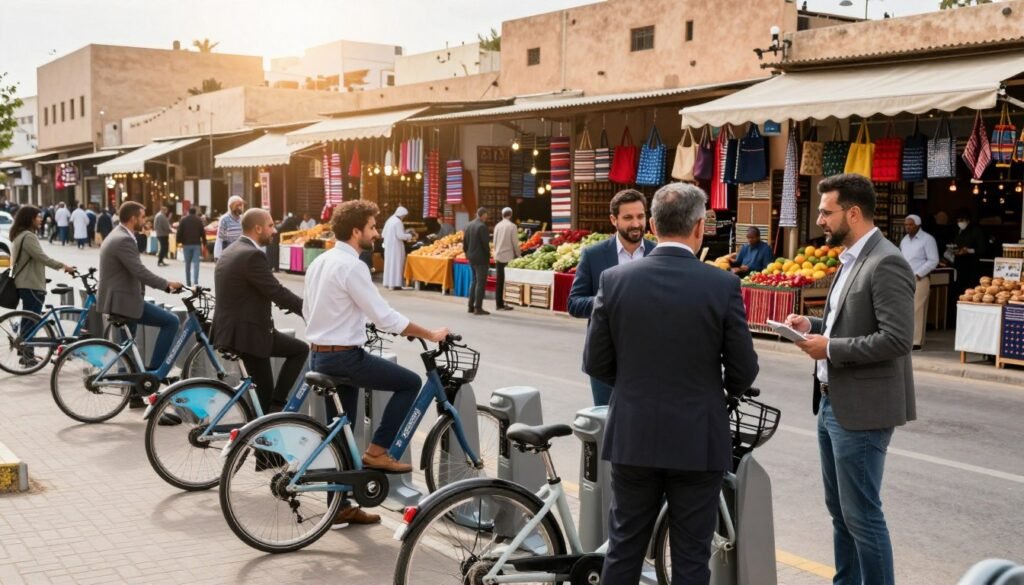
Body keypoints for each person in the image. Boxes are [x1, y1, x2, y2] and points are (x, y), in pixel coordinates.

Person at [584, 183, 758, 585]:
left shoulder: (613, 280)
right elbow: (743, 371)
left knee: (624, 546)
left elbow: (596, 362)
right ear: (699, 228)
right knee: (691, 557)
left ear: (653, 225)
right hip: (697, 437)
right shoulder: (722, 286)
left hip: (633, 433)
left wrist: (634, 387)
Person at [784, 174, 915, 585]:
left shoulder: (886, 261)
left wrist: (831, 349)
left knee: (863, 516)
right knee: (841, 513)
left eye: (826, 211)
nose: (820, 219)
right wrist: (814, 324)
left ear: (853, 213)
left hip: (861, 411)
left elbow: (896, 339)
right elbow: (849, 322)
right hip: (830, 402)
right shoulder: (849, 259)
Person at [304, 200, 448, 524]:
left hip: (320, 355)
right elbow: (384, 316)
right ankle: (378, 451)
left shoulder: (321, 261)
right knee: (409, 383)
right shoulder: (353, 265)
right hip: (344, 358)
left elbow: (310, 310)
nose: (376, 232)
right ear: (356, 231)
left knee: (340, 433)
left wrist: (346, 324)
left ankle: (338, 507)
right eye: (371, 227)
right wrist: (429, 333)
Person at [213, 209, 307, 414]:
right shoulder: (252, 255)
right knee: (299, 352)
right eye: (271, 226)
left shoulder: (233, 249)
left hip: (233, 330)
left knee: (296, 350)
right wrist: (307, 310)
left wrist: (282, 301)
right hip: (249, 335)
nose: (274, 230)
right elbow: (276, 290)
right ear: (258, 228)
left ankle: (267, 411)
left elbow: (256, 288)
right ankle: (274, 407)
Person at [568, 189, 656, 406]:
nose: (636, 223)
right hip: (605, 362)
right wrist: (607, 301)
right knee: (605, 429)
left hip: (650, 361)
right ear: (613, 220)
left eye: (640, 216)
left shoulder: (658, 253)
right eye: (628, 217)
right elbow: (574, 303)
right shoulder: (593, 255)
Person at [98, 202, 184, 397]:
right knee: (171, 321)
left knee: (127, 350)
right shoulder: (123, 240)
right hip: (124, 302)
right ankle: (153, 374)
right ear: (133, 218)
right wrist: (166, 283)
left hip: (120, 299)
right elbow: (139, 271)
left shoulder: (118, 235)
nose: (145, 220)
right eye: (143, 216)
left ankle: (135, 393)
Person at [9, 206, 76, 365]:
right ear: (30, 218)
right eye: (38, 216)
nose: (41, 219)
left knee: (28, 320)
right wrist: (64, 266)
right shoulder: (28, 236)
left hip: (25, 283)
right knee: (32, 321)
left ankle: (25, 352)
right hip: (31, 284)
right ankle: (27, 355)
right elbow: (42, 258)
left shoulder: (18, 236)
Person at [900, 214, 939, 350]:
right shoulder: (904, 240)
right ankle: (906, 339)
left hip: (919, 279)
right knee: (905, 310)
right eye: (906, 225)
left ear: (918, 225)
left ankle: (916, 341)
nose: (907, 227)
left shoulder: (927, 239)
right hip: (905, 278)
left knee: (917, 309)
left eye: (910, 225)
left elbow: (933, 260)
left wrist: (918, 274)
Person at [951, 209, 986, 307]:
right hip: (959, 263)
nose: (959, 223)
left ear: (968, 221)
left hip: (971, 265)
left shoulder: (976, 231)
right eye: (958, 221)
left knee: (969, 288)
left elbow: (982, 249)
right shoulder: (959, 231)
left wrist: (969, 250)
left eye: (962, 220)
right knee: (959, 288)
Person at [463, 207, 492, 315]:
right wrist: (488, 257)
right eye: (486, 215)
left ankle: (470, 306)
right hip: (481, 258)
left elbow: (465, 243)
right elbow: (485, 245)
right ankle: (478, 307)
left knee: (474, 281)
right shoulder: (482, 227)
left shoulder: (468, 225)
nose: (487, 217)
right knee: (480, 282)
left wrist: (467, 254)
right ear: (483, 215)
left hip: (471, 257)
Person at [492, 207, 520, 312]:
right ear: (511, 215)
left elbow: (494, 242)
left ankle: (499, 304)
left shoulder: (497, 226)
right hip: (508, 257)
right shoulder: (512, 226)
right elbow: (515, 243)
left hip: (498, 256)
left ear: (502, 215)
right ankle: (505, 302)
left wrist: (495, 252)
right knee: (507, 281)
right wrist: (518, 254)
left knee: (499, 281)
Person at [380, 205, 413, 290]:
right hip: (396, 247)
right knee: (396, 264)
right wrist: (409, 235)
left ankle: (388, 283)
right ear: (402, 215)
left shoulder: (390, 220)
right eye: (404, 216)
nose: (404, 217)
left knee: (389, 264)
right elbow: (400, 236)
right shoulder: (398, 222)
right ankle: (396, 284)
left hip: (388, 246)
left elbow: (383, 234)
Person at [176, 207, 207, 287]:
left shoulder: (183, 220)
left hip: (186, 244)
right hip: (196, 244)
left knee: (187, 264)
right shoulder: (198, 220)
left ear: (188, 212)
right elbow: (202, 232)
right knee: (196, 263)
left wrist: (178, 241)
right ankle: (196, 281)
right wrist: (204, 242)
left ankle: (188, 282)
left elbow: (179, 232)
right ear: (195, 212)